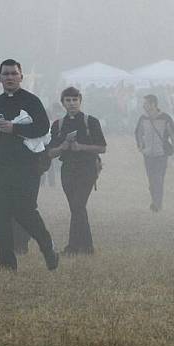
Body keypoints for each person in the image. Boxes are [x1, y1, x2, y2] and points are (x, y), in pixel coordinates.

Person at [0, 59, 58, 271]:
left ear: (21, 76)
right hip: (1, 169)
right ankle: (6, 263)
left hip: (27, 169)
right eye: (6, 74)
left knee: (25, 212)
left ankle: (47, 246)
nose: (10, 77)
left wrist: (14, 128)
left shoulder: (32, 101)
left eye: (14, 73)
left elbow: (42, 128)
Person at [47, 87, 107, 255]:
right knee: (77, 208)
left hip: (87, 169)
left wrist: (81, 147)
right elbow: (50, 153)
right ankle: (87, 247)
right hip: (67, 170)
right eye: (68, 100)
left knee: (78, 205)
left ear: (80, 100)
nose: (72, 103)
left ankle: (72, 248)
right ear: (63, 103)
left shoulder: (91, 121)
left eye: (75, 100)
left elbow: (102, 147)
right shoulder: (58, 124)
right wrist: (63, 147)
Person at [134, 94, 174, 212]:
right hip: (148, 155)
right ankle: (155, 200)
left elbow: (173, 135)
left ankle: (157, 204)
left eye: (146, 103)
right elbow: (138, 133)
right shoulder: (143, 118)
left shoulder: (165, 118)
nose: (143, 106)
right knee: (151, 181)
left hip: (161, 155)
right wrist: (140, 146)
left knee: (158, 179)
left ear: (153, 104)